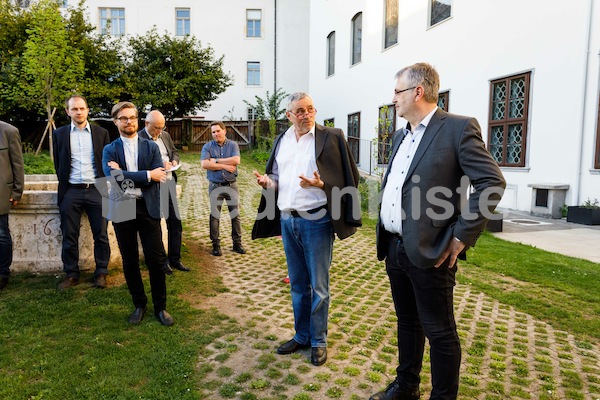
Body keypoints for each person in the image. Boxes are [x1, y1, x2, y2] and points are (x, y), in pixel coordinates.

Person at [370, 63, 506, 400]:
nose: (393, 99)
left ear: (418, 91)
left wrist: (460, 237)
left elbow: (491, 183)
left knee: (440, 332)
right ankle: (406, 387)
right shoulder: (402, 134)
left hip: (433, 251)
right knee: (408, 322)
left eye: (397, 92)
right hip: (395, 248)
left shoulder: (458, 129)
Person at [252, 92, 362, 366]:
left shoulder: (331, 137)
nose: (306, 114)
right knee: (298, 285)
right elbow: (278, 178)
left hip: (317, 220)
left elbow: (352, 177)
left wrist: (322, 185)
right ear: (288, 115)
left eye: (310, 109)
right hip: (288, 221)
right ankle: (301, 336)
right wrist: (268, 183)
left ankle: (318, 341)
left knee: (319, 286)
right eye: (299, 111)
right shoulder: (283, 140)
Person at [102, 101, 174, 326]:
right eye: (123, 118)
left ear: (137, 119)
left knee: (155, 259)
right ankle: (139, 304)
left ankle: (161, 307)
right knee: (130, 259)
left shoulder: (150, 146)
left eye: (132, 117)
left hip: (148, 207)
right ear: (116, 122)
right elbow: (115, 180)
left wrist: (125, 173)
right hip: (122, 206)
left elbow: (159, 175)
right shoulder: (109, 149)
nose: (129, 121)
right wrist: (146, 175)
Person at [52, 95, 111, 290]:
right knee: (69, 235)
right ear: (67, 111)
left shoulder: (101, 133)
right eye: (74, 109)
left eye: (82, 108)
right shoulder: (59, 134)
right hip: (71, 191)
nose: (78, 112)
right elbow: (58, 163)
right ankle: (71, 273)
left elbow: (106, 161)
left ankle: (101, 272)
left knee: (101, 234)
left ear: (87, 110)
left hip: (96, 190)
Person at [138, 110, 189, 273]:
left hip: (168, 183)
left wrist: (174, 161)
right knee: (155, 226)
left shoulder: (165, 136)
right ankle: (161, 262)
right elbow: (137, 164)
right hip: (152, 187)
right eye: (157, 128)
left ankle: (175, 259)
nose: (160, 131)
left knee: (175, 222)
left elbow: (174, 151)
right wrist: (160, 165)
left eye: (162, 127)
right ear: (147, 124)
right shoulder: (138, 139)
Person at [200, 121, 245, 256]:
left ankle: (237, 244)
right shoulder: (207, 147)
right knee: (215, 216)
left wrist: (216, 161)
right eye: (213, 132)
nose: (215, 134)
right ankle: (216, 245)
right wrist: (225, 165)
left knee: (235, 215)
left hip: (231, 184)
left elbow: (236, 160)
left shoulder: (233, 145)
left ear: (224, 131)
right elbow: (204, 164)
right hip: (215, 186)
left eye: (218, 131)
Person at [0, 121, 24, 291]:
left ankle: (2, 274)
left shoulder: (8, 131)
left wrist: (17, 191)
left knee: (1, 235)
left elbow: (17, 163)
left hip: (1, 193)